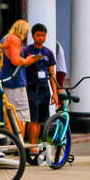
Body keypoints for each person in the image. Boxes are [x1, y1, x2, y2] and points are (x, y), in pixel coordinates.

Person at [22, 23, 60, 151]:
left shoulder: (48, 52)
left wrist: (54, 92)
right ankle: (32, 145)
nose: (41, 38)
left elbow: (52, 74)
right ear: (33, 36)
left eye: (43, 35)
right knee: (33, 118)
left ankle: (36, 144)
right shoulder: (26, 51)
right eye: (38, 35)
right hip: (32, 88)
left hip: (44, 88)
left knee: (40, 119)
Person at [0, 19, 37, 139]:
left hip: (5, 82)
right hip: (15, 83)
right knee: (20, 116)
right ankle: (19, 145)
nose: (26, 36)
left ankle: (10, 144)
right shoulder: (14, 39)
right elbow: (16, 60)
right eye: (26, 32)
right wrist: (29, 60)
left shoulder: (3, 39)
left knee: (8, 116)